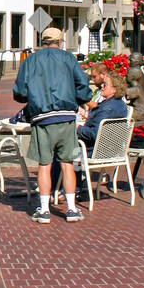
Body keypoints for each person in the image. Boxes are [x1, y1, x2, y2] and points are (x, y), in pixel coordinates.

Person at [12, 28, 91, 224]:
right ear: (60, 41)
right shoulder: (69, 59)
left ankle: (45, 210)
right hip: (66, 117)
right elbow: (83, 86)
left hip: (42, 117)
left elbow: (20, 90)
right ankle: (72, 209)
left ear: (43, 41)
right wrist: (80, 98)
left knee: (44, 165)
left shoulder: (31, 60)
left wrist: (31, 98)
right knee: (68, 164)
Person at [77, 69, 129, 151]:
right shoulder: (120, 105)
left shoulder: (107, 109)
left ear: (114, 89)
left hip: (92, 151)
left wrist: (77, 128)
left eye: (105, 84)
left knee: (62, 151)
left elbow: (95, 134)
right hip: (112, 149)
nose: (102, 86)